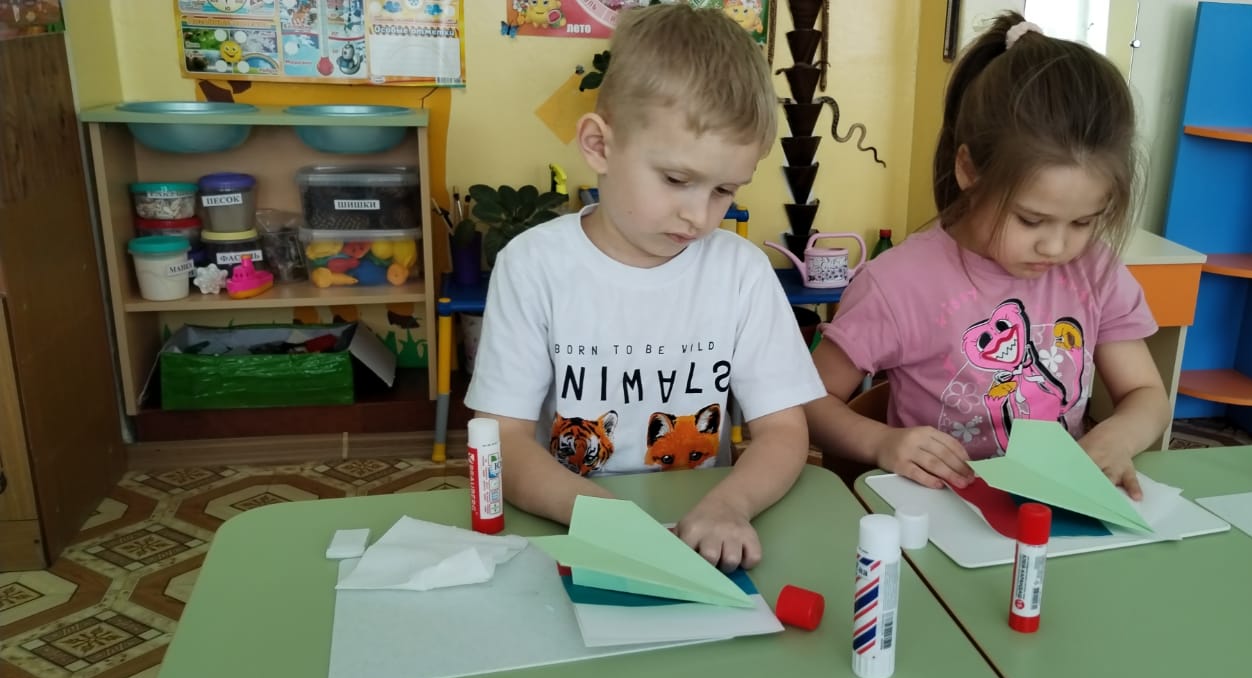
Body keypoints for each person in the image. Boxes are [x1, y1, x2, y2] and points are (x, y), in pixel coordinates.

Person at [464, 3, 824, 571]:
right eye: (677, 179)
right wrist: (606, 517)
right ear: (599, 146)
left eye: (724, 190)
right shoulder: (532, 267)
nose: (699, 216)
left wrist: (730, 504)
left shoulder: (742, 272)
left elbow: (783, 430)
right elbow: (501, 440)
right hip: (565, 521)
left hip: (699, 527)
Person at [805, 13, 1166, 499]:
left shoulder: (1095, 270)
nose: (1056, 247)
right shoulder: (898, 284)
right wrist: (882, 442)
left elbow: (1146, 395)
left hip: (1053, 508)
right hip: (938, 515)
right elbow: (809, 401)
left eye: (1083, 222)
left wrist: (1120, 435)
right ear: (969, 170)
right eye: (1031, 220)